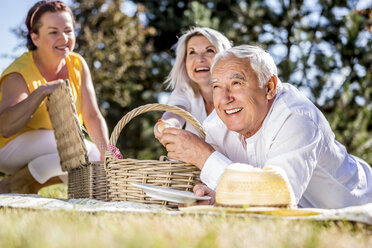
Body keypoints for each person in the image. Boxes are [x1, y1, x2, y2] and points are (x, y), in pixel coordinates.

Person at [159, 45, 372, 209]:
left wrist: (203, 155)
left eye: (236, 83)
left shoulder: (297, 117)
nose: (224, 99)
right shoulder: (217, 123)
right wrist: (214, 197)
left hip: (359, 205)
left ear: (269, 87)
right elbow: (243, 188)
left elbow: (278, 196)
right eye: (216, 86)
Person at [0, 0, 109, 194]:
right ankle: (14, 185)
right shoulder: (19, 73)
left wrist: (107, 152)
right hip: (7, 148)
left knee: (93, 176)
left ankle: (18, 186)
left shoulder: (77, 64)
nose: (64, 38)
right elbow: (5, 128)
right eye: (53, 32)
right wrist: (41, 92)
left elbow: (92, 115)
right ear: (35, 38)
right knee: (86, 152)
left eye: (68, 30)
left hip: (52, 146)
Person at [154, 27, 231, 137]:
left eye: (209, 50)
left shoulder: (238, 93)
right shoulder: (184, 91)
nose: (200, 59)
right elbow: (176, 112)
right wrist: (168, 124)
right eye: (192, 52)